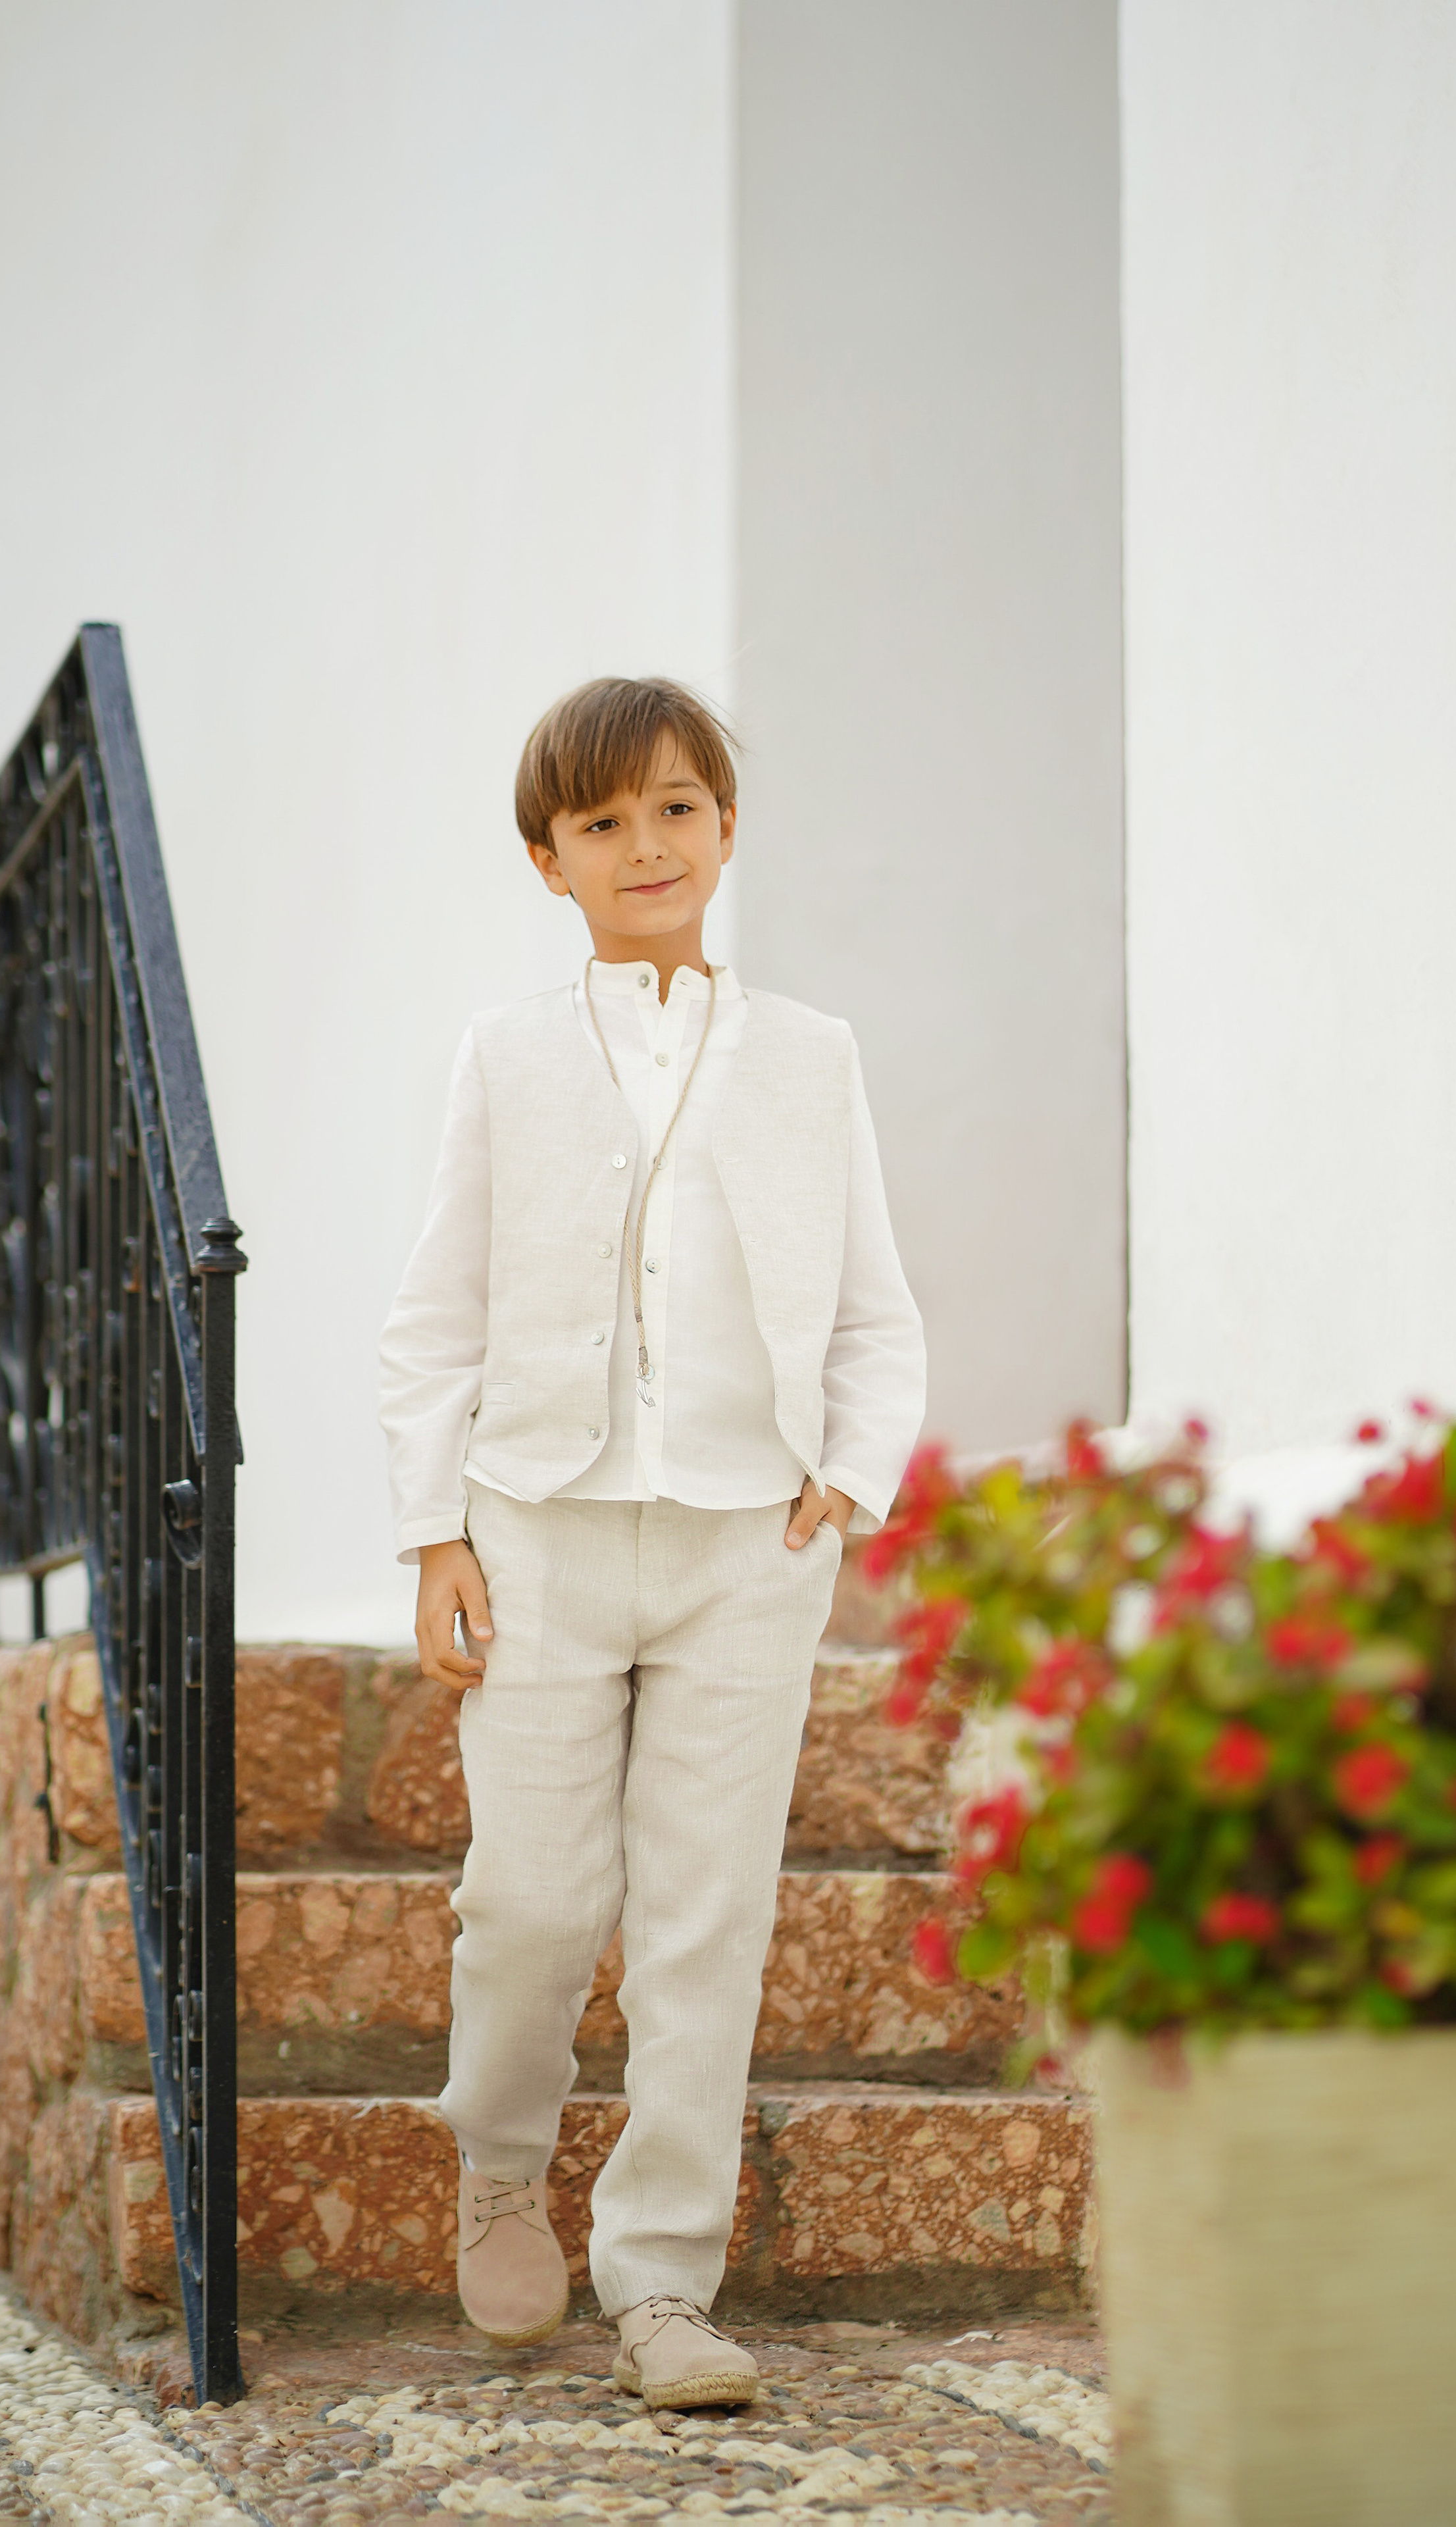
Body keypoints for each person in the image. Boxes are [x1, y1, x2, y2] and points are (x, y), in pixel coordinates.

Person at [379, 676, 926, 2411]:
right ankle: (495, 2169)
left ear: (727, 829)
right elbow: (437, 1315)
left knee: (708, 1912)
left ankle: (666, 2279)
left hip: (745, 1543)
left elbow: (873, 1306)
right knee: (532, 1899)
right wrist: (432, 1533)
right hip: (539, 1528)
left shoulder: (817, 1055)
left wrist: (851, 1467)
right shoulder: (507, 1054)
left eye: (676, 809)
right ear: (548, 859)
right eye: (603, 823)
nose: (647, 846)